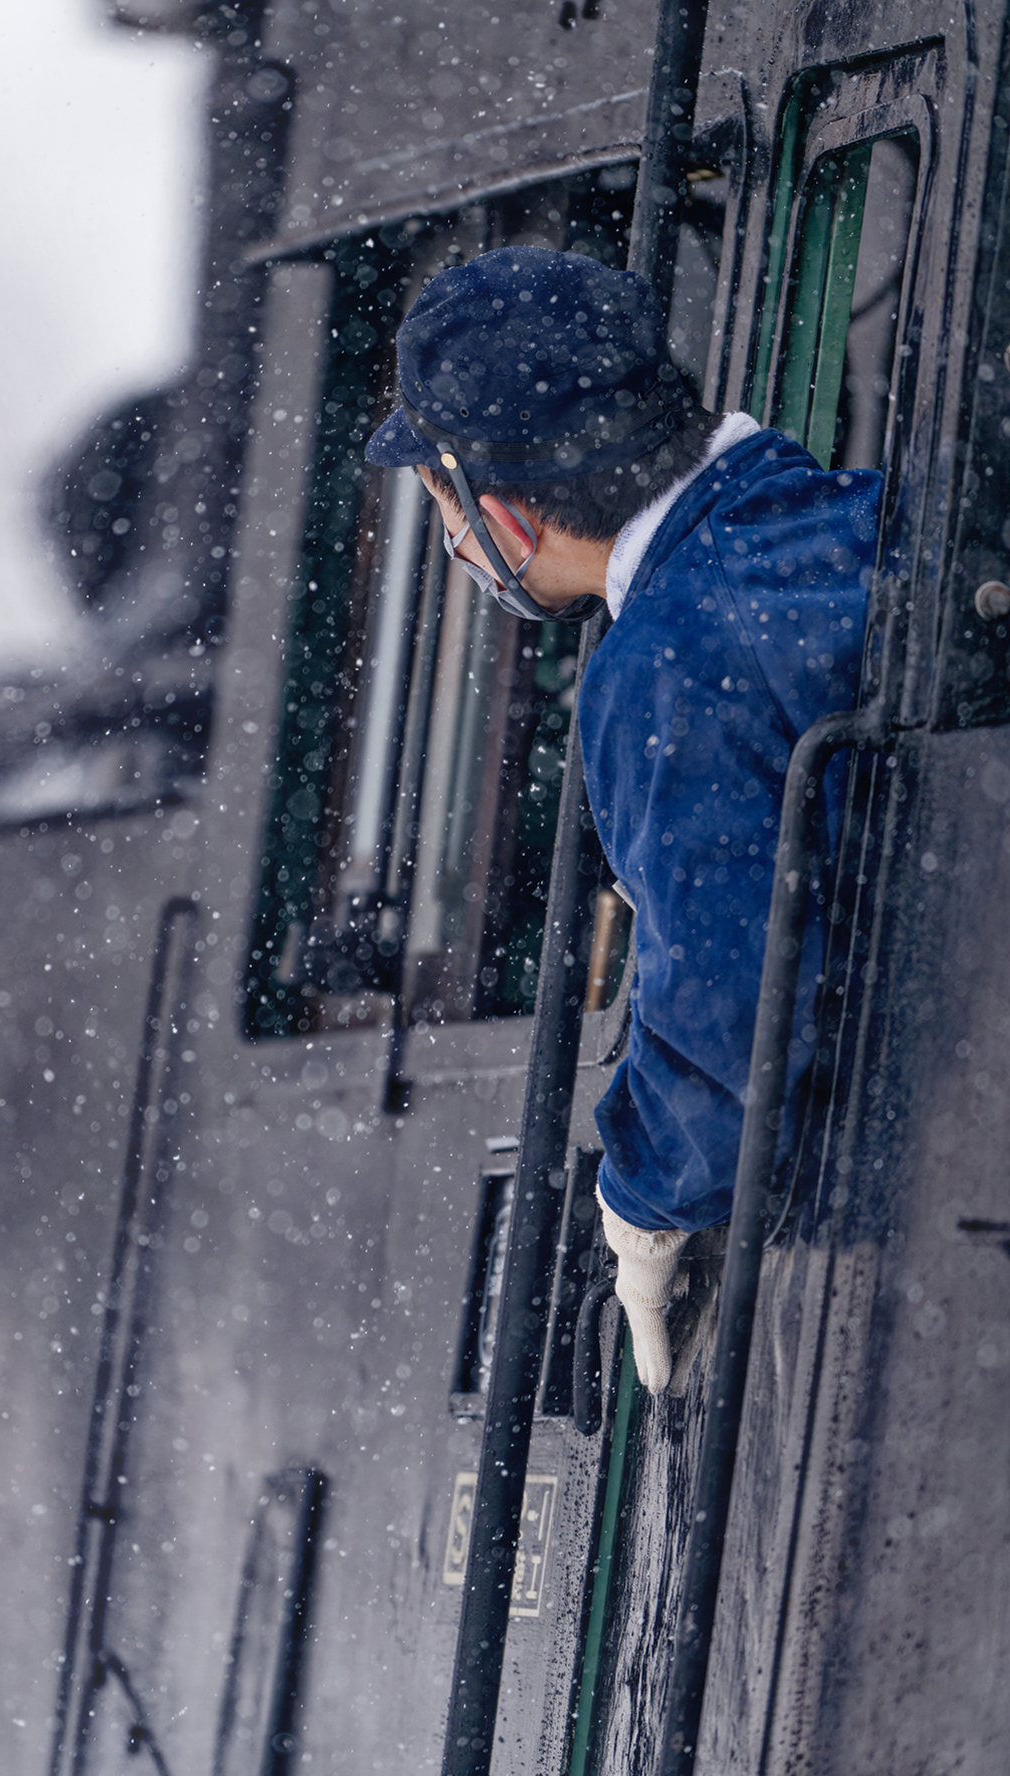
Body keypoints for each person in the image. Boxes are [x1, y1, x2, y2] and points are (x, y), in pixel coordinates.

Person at [365, 246, 881, 1392]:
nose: (453, 547)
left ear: (498, 514)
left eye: (444, 509)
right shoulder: (873, 515)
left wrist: (643, 1202)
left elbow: (731, 1004)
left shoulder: (666, 666)